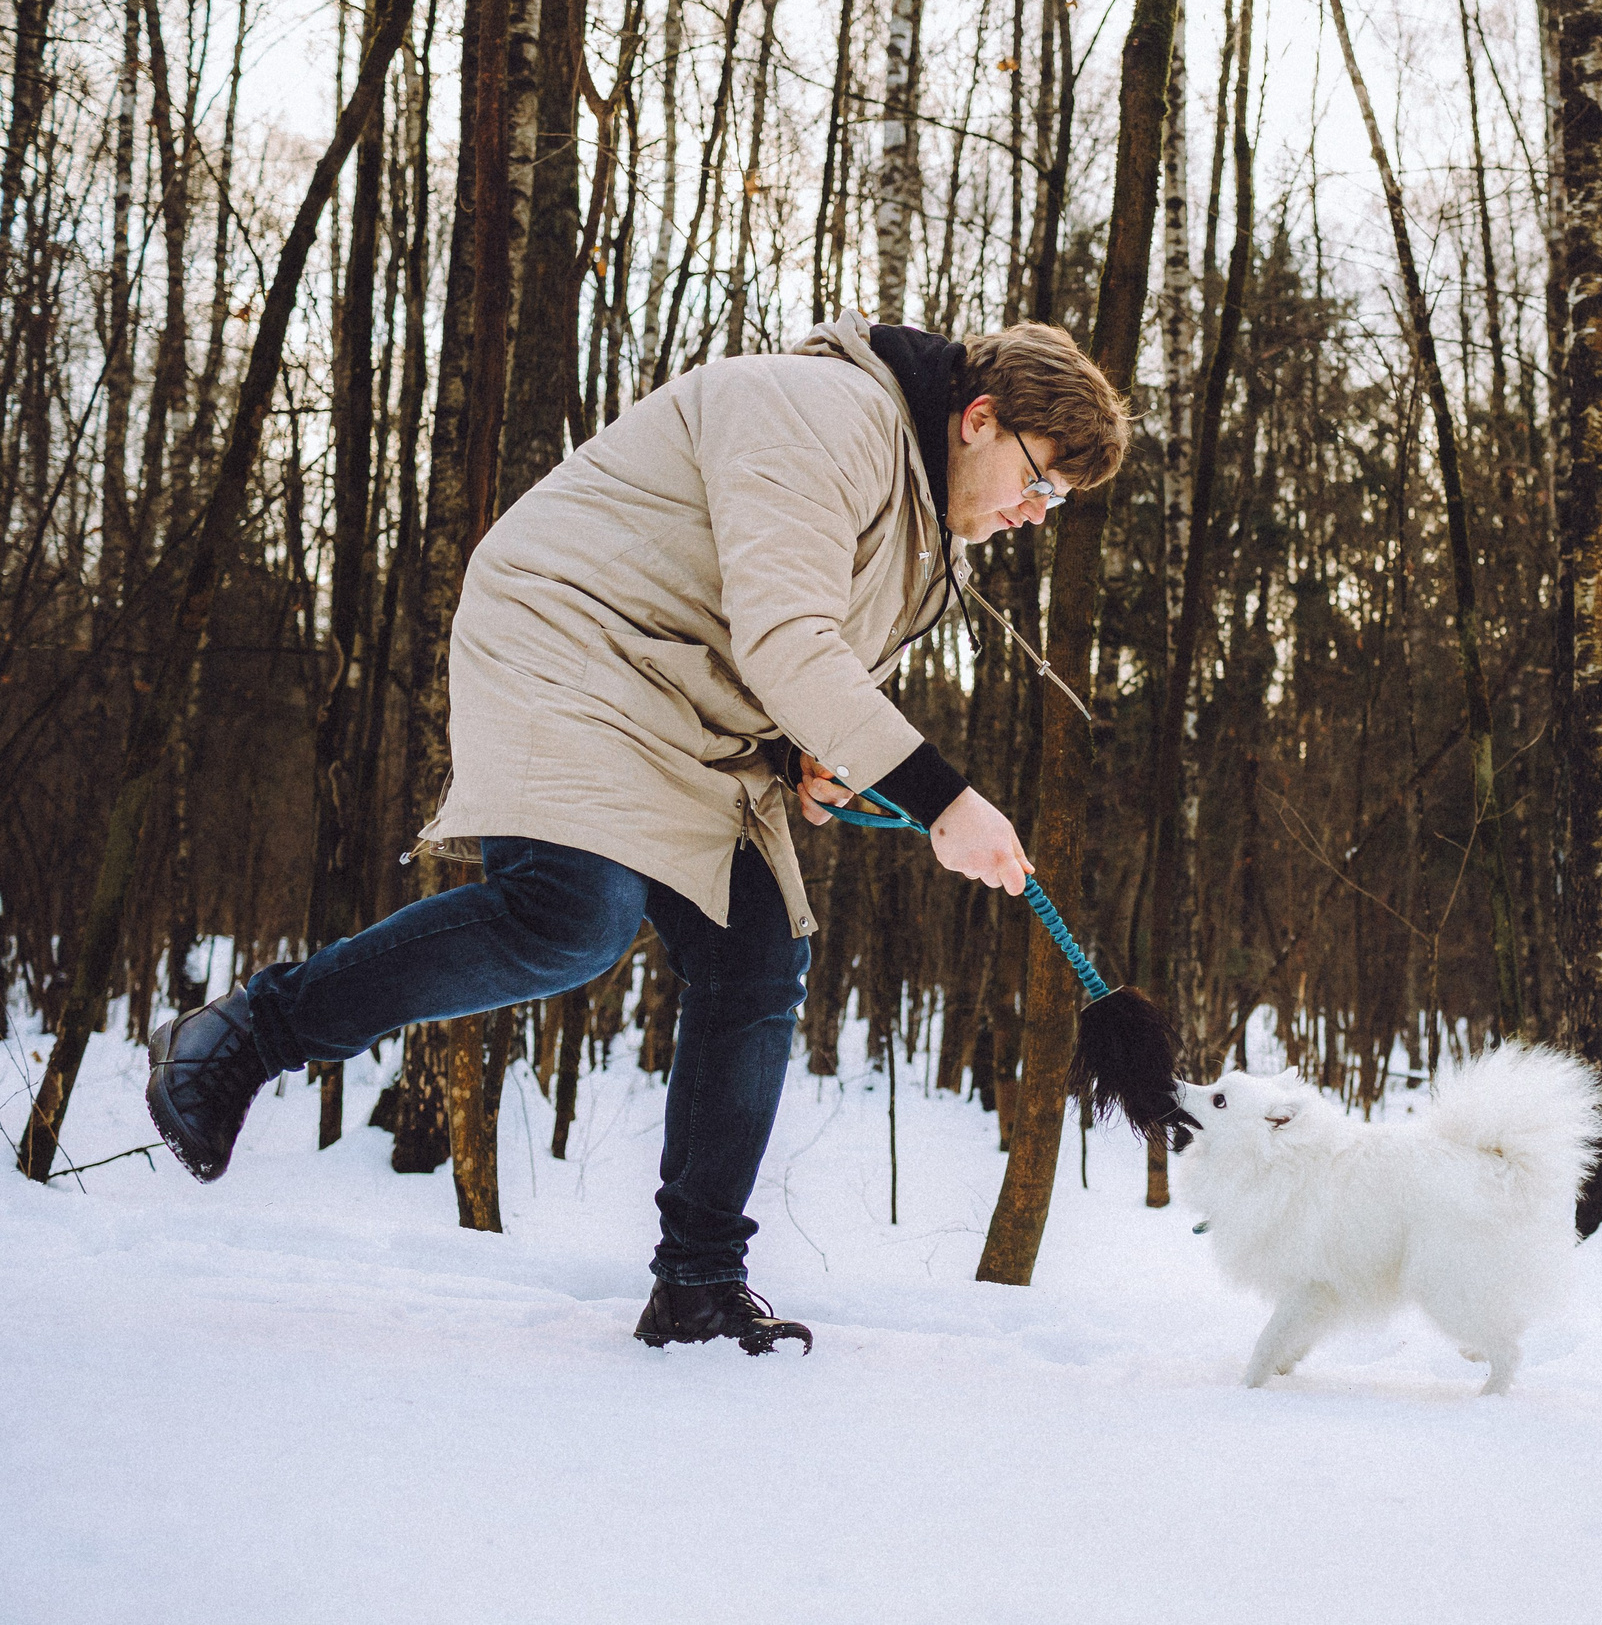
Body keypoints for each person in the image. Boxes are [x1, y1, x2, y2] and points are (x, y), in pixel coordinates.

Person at [142, 315, 1128, 1355]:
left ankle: (700, 1281)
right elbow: (790, 639)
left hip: (697, 712)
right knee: (570, 917)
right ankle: (247, 1033)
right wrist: (944, 800)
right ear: (979, 420)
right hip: (574, 644)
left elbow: (802, 657)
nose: (1035, 513)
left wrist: (809, 755)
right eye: (1041, 483)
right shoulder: (822, 412)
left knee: (759, 960)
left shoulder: (932, 547)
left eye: (1053, 503)